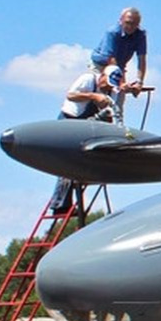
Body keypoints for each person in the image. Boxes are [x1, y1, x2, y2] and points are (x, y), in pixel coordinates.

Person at [49, 64, 124, 214]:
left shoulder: (111, 92)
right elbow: (71, 95)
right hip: (70, 120)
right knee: (68, 163)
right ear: (102, 76)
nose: (106, 87)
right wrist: (92, 96)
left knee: (78, 163)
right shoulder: (88, 80)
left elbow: (111, 114)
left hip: (87, 124)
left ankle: (65, 201)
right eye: (106, 83)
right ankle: (60, 204)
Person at [91, 6, 148, 92]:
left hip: (119, 67)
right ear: (121, 20)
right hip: (100, 66)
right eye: (127, 23)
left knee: (119, 99)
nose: (130, 26)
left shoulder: (140, 35)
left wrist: (139, 82)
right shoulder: (112, 32)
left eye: (134, 24)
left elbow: (142, 59)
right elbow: (111, 59)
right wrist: (120, 83)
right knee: (100, 93)